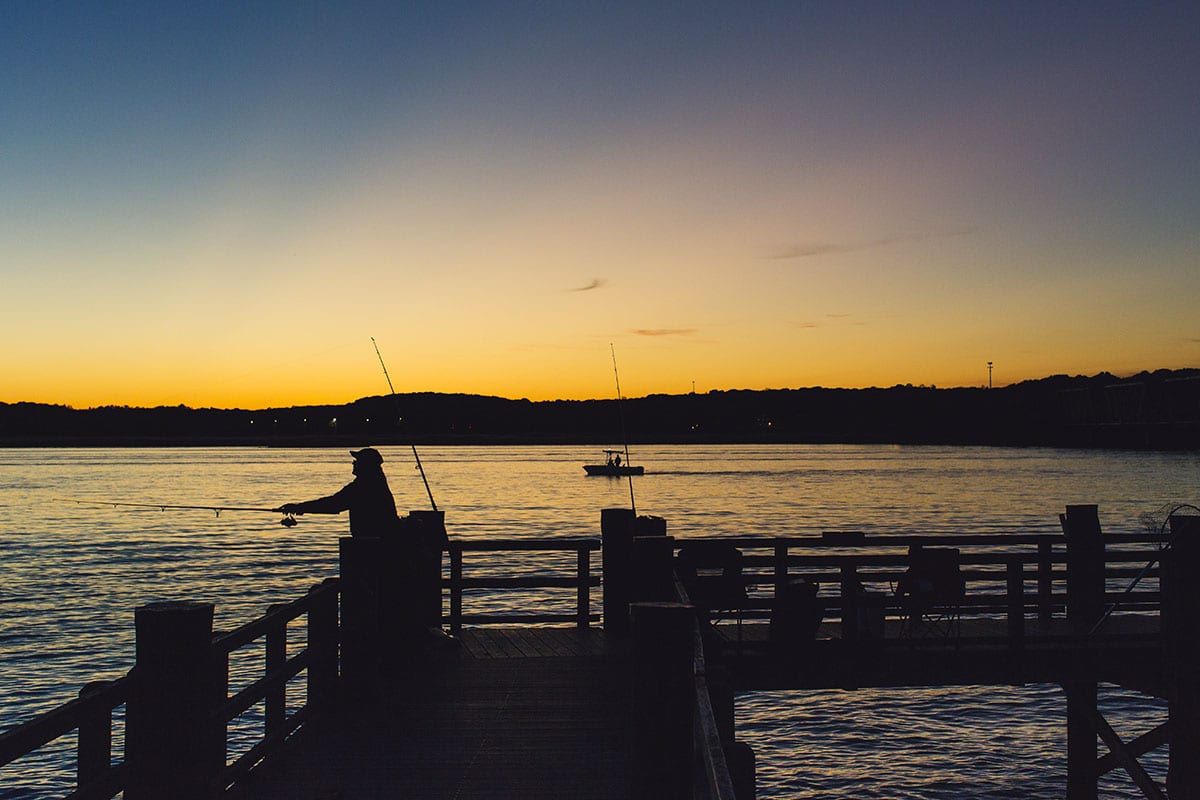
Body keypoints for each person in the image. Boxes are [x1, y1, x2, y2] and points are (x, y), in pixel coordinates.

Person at [276, 448, 400, 537]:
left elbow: (334, 503)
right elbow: (334, 503)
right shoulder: (375, 482)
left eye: (357, 461)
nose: (354, 463)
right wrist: (300, 508)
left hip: (374, 540)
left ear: (367, 465)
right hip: (380, 537)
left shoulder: (364, 486)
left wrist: (298, 507)